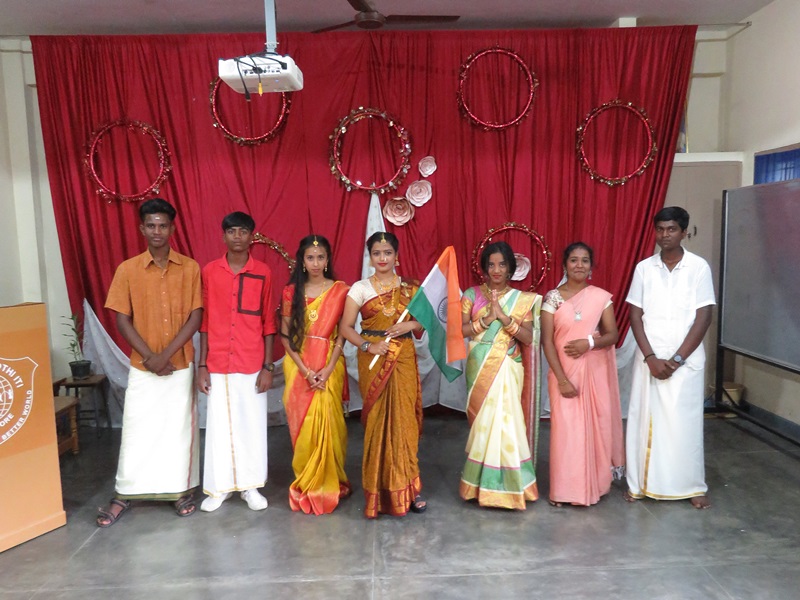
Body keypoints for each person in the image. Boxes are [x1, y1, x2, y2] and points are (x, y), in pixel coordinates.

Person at [97, 198, 202, 527]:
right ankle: (124, 493)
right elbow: (121, 319)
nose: (157, 231)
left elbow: (196, 316)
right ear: (142, 228)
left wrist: (165, 356)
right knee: (136, 428)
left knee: (177, 430)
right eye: (151, 225)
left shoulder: (190, 268)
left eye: (163, 225)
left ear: (172, 228)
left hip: (178, 364)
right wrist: (150, 358)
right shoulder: (127, 269)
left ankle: (179, 491)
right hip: (143, 365)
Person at [625, 206, 715, 509]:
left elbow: (703, 317)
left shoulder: (698, 267)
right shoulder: (644, 268)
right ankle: (639, 485)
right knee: (644, 421)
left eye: (672, 229)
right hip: (649, 360)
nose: (665, 235)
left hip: (685, 363)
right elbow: (635, 315)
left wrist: (676, 360)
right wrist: (650, 357)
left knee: (683, 425)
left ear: (684, 232)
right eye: (660, 229)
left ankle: (691, 486)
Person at [339, 232, 426, 518]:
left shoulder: (410, 288)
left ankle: (409, 490)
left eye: (387, 252)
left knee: (404, 423)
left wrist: (410, 324)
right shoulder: (360, 289)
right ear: (370, 258)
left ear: (396, 256)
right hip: (374, 357)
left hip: (403, 356)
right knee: (378, 422)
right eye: (377, 253)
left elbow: (424, 324)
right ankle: (378, 491)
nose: (382, 258)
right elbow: (346, 327)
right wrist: (369, 345)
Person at [196, 211, 275, 512]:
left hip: (251, 361)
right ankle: (219, 488)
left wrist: (267, 367)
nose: (237, 237)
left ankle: (250, 487)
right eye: (232, 231)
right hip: (217, 361)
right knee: (218, 426)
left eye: (243, 231)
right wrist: (202, 365)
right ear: (224, 236)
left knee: (251, 426)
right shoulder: (209, 271)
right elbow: (204, 321)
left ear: (252, 236)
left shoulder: (263, 272)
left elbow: (268, 322)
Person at [459, 241, 542, 510]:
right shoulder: (471, 295)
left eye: (502, 265)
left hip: (507, 364)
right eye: (491, 264)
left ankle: (510, 487)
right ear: (484, 268)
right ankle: (477, 485)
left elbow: (528, 338)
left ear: (511, 269)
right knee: (483, 425)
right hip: (479, 363)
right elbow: (460, 331)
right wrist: (486, 319)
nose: (496, 270)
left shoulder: (523, 300)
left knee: (507, 422)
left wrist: (504, 318)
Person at [541, 242, 624, 507]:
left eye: (585, 260)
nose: (579, 265)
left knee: (595, 427)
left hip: (594, 372)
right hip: (563, 373)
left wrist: (588, 343)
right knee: (567, 433)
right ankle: (564, 491)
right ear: (565, 265)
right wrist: (562, 380)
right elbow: (547, 342)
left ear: (591, 266)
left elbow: (612, 335)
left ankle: (595, 486)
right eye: (574, 260)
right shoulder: (552, 298)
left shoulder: (600, 297)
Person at [280, 235, 351, 515]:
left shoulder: (340, 291)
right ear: (302, 261)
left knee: (331, 425)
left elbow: (342, 334)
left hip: (329, 363)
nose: (316, 263)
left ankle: (331, 481)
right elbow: (286, 337)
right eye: (310, 258)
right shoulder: (291, 292)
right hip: (299, 365)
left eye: (321, 257)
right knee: (302, 425)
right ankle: (307, 481)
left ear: (328, 260)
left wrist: (328, 368)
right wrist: (306, 370)